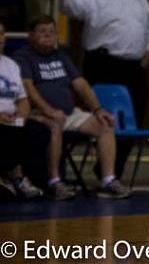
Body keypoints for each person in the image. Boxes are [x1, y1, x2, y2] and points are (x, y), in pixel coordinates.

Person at [59, 0, 149, 179]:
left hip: (134, 67)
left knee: (135, 118)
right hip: (103, 64)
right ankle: (108, 175)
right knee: (106, 118)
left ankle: (109, 172)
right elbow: (72, 7)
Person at [13, 17, 129, 199]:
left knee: (104, 124)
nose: (48, 35)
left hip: (69, 113)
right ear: (31, 35)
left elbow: (80, 84)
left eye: (51, 32)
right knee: (55, 124)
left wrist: (98, 109)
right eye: (42, 31)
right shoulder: (23, 56)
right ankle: (55, 183)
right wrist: (48, 110)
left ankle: (108, 181)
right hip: (38, 114)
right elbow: (28, 88)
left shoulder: (61, 56)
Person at [0, 21, 45, 201]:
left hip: (12, 118)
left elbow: (23, 99)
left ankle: (21, 179)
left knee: (39, 131)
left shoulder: (11, 64)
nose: (0, 38)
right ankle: (11, 177)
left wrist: (21, 117)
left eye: (2, 34)